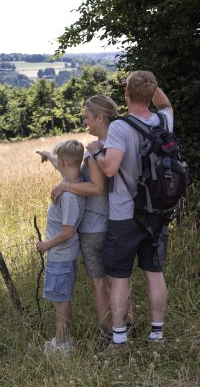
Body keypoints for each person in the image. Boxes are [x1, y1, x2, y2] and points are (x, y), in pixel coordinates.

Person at [89, 71, 173, 354]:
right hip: (158, 213)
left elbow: (110, 169)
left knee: (120, 276)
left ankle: (120, 340)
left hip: (125, 214)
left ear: (126, 94)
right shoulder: (164, 120)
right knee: (153, 273)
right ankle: (157, 337)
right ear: (151, 92)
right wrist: (148, 85)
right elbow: (165, 105)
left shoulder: (121, 127)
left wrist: (97, 151)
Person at [43, 95, 120, 337]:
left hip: (94, 226)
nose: (85, 122)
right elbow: (73, 170)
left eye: (87, 117)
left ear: (99, 117)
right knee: (116, 280)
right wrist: (50, 155)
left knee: (100, 283)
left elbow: (94, 187)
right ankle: (125, 324)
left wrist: (64, 186)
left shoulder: (95, 152)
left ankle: (109, 331)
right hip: (114, 220)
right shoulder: (115, 144)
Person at [35, 139, 86, 357]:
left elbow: (67, 231)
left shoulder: (68, 196)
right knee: (60, 297)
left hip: (61, 255)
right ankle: (61, 339)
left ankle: (62, 343)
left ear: (64, 162)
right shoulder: (75, 179)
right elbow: (62, 162)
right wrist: (47, 153)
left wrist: (46, 245)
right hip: (64, 254)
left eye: (59, 161)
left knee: (61, 299)